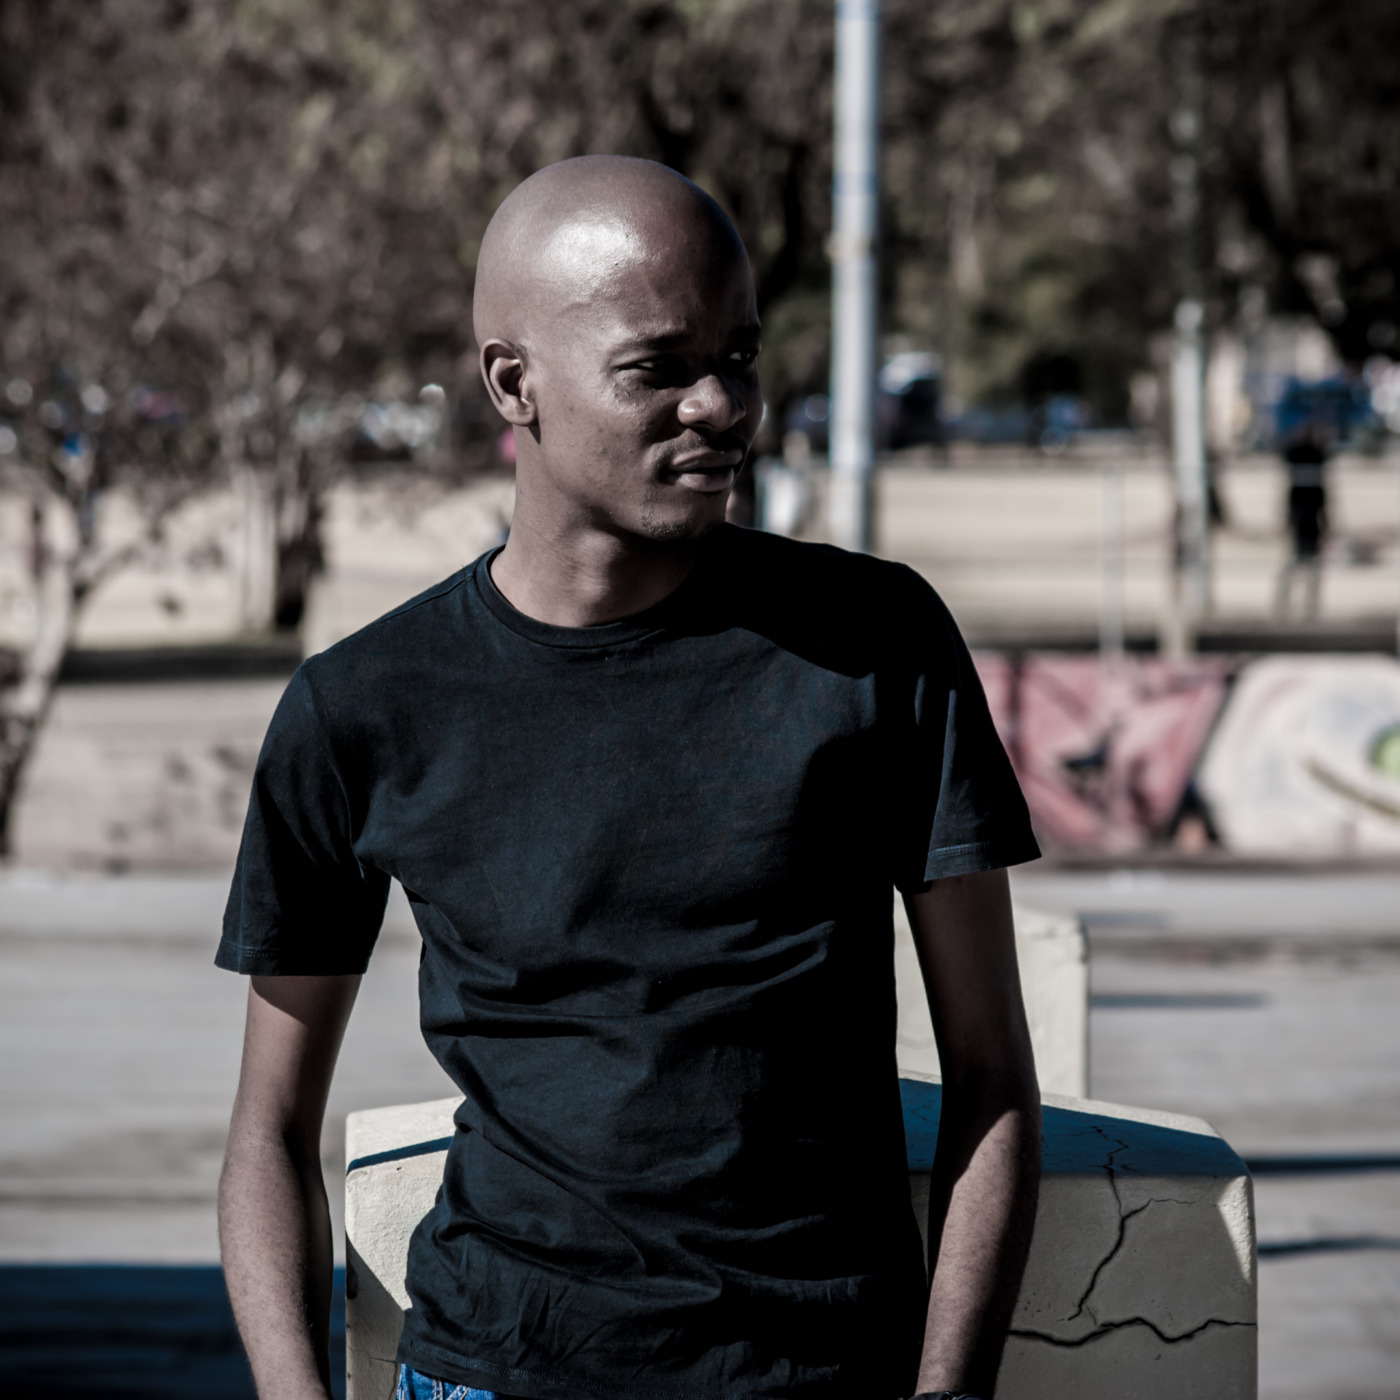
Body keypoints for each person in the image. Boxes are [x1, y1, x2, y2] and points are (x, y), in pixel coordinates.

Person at [217, 155, 1042, 1400]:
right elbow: (270, 1129)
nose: (719, 403)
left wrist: (948, 1391)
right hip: (491, 1371)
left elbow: (990, 1073)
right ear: (515, 383)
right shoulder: (363, 706)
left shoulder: (876, 644)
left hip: (821, 1374)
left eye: (739, 356)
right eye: (657, 366)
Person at [1276, 421, 1330, 618]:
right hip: (1302, 516)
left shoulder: (1313, 461)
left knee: (1310, 564)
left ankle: (1308, 606)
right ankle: (1288, 604)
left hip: (1309, 517)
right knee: (1297, 562)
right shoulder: (1303, 459)